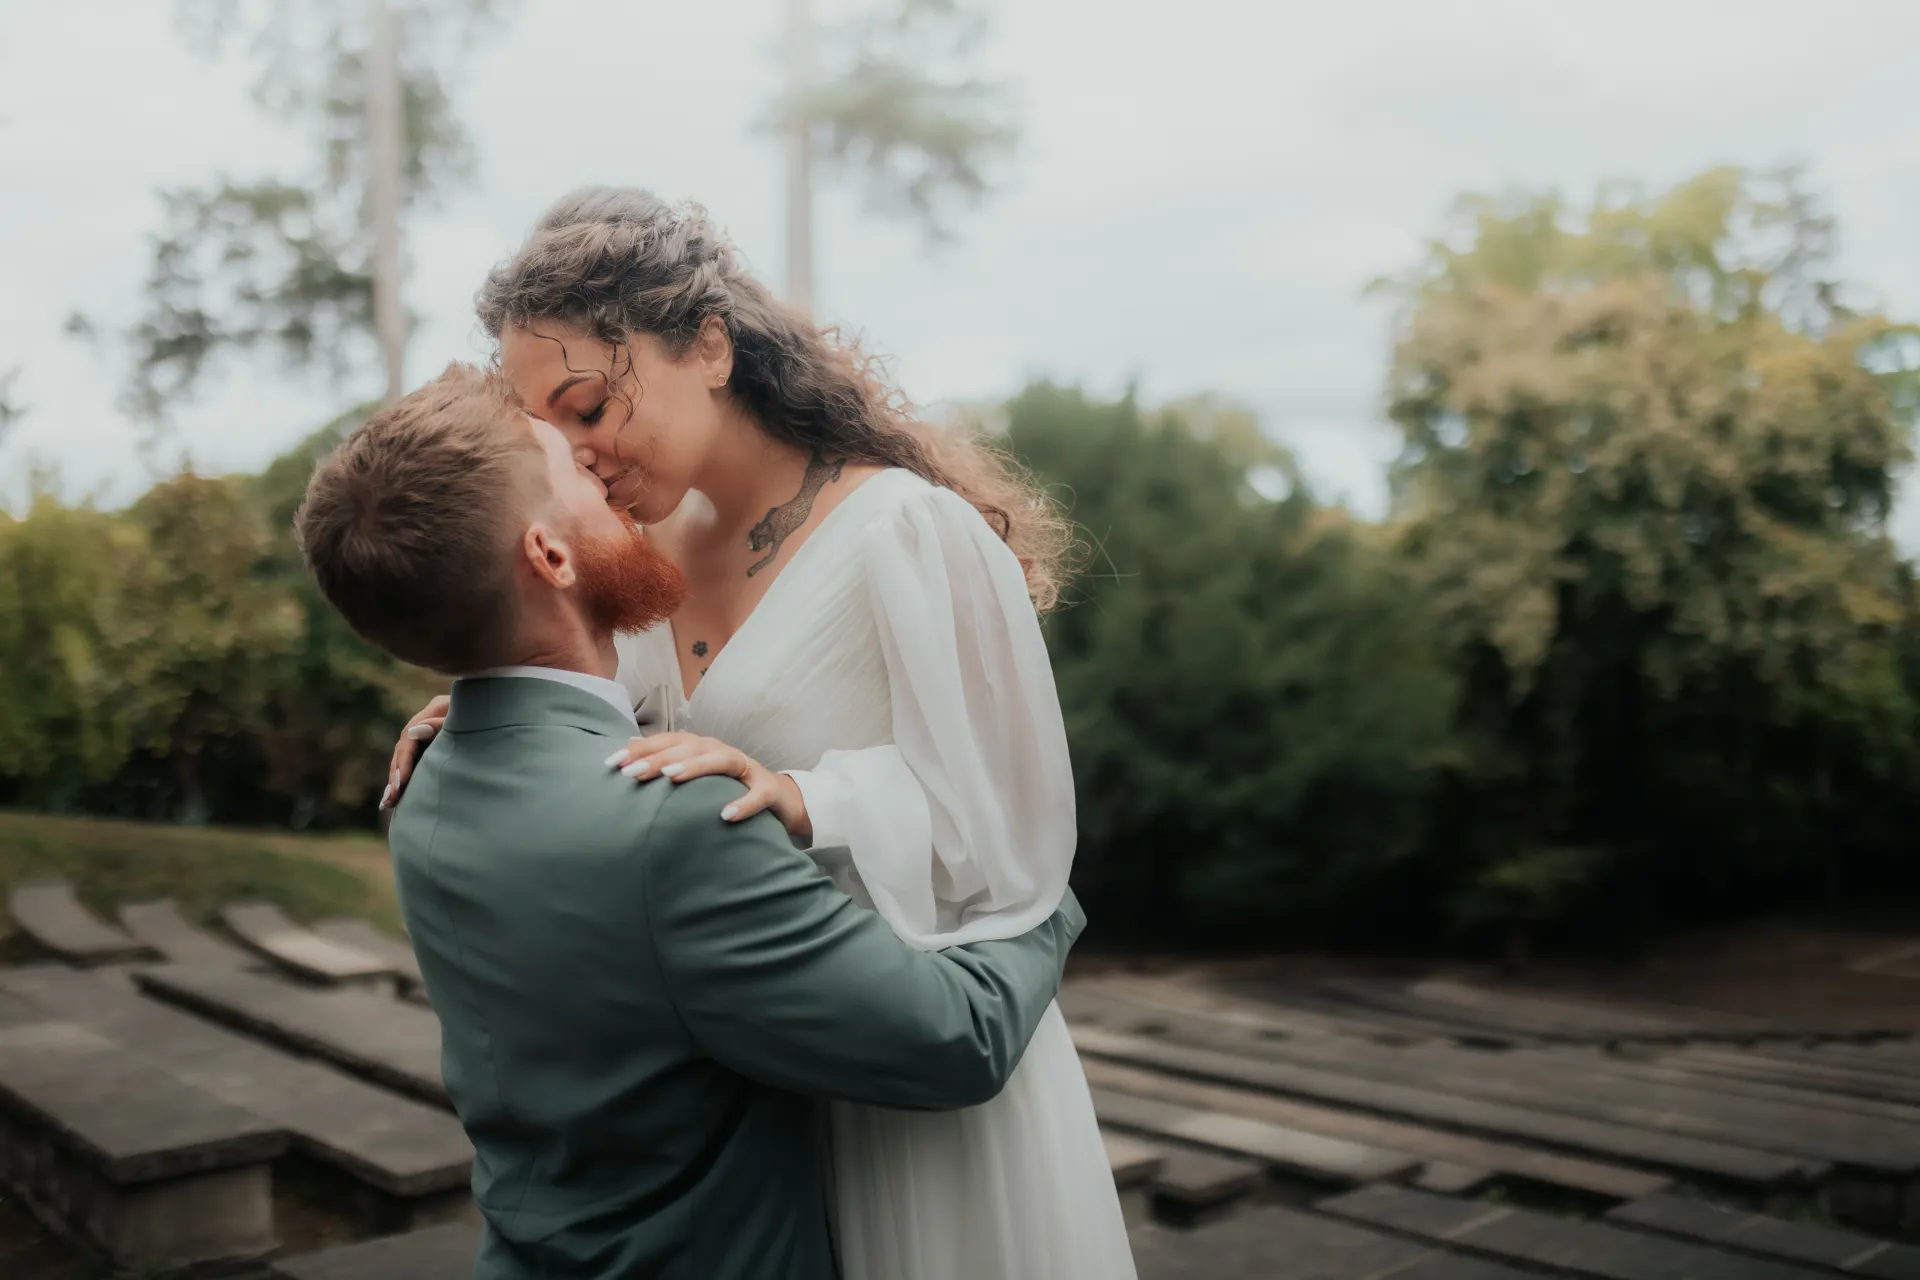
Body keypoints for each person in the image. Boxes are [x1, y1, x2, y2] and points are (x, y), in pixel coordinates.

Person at [387, 187, 1137, 1279]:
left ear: (709, 344)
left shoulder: (911, 535)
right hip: (750, 1084)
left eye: (590, 405)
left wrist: (804, 795)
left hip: (923, 1086)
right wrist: (498, 703)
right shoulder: (639, 554)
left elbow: (1016, 837)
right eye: (548, 431)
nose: (577, 456)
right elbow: (615, 740)